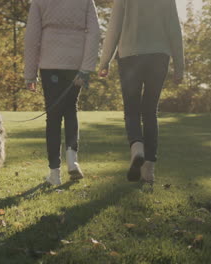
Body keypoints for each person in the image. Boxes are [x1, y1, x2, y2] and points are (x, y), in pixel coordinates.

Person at [98, 0, 184, 184]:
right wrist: (179, 66)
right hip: (159, 56)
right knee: (150, 111)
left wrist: (105, 61)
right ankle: (149, 170)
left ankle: (137, 147)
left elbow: (114, 27)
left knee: (132, 109)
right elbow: (174, 28)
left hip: (130, 56)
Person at [24, 0, 100, 185]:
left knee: (53, 116)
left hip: (50, 64)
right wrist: (86, 68)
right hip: (75, 63)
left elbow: (32, 38)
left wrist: (30, 75)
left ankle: (54, 174)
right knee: (70, 109)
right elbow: (95, 32)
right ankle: (72, 160)